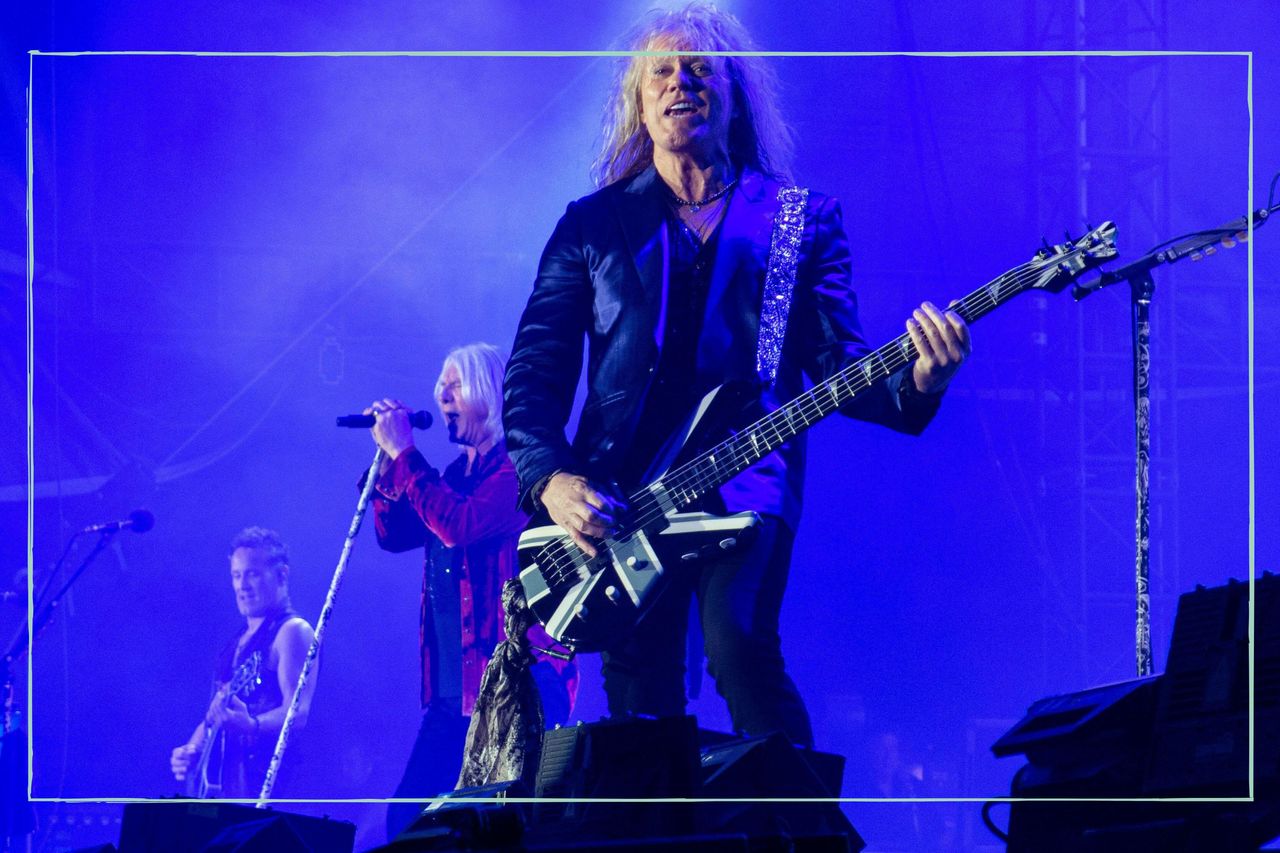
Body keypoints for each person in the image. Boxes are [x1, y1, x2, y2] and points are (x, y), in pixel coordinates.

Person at [502, 2, 971, 751]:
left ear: (734, 91)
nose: (679, 83)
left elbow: (840, 363)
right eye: (661, 70)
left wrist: (920, 380)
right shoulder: (590, 224)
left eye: (698, 68)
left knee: (741, 647)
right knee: (639, 696)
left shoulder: (797, 219)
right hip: (621, 495)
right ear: (637, 99)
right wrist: (551, 478)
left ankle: (812, 835)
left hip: (746, 477)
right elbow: (533, 375)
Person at [364, 342, 576, 838]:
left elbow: (459, 523)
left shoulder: (517, 470)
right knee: (408, 822)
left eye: (455, 385)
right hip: (453, 694)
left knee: (501, 827)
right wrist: (389, 464)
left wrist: (406, 456)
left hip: (515, 686)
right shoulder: (452, 476)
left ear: (487, 392)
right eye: (440, 387)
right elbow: (393, 535)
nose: (442, 396)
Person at [170, 527, 317, 798]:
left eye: (252, 574)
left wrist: (252, 725)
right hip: (229, 790)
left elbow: (298, 712)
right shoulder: (237, 641)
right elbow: (217, 715)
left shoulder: (292, 631)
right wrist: (192, 750)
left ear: (282, 574)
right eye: (236, 576)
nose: (242, 586)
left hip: (270, 790)